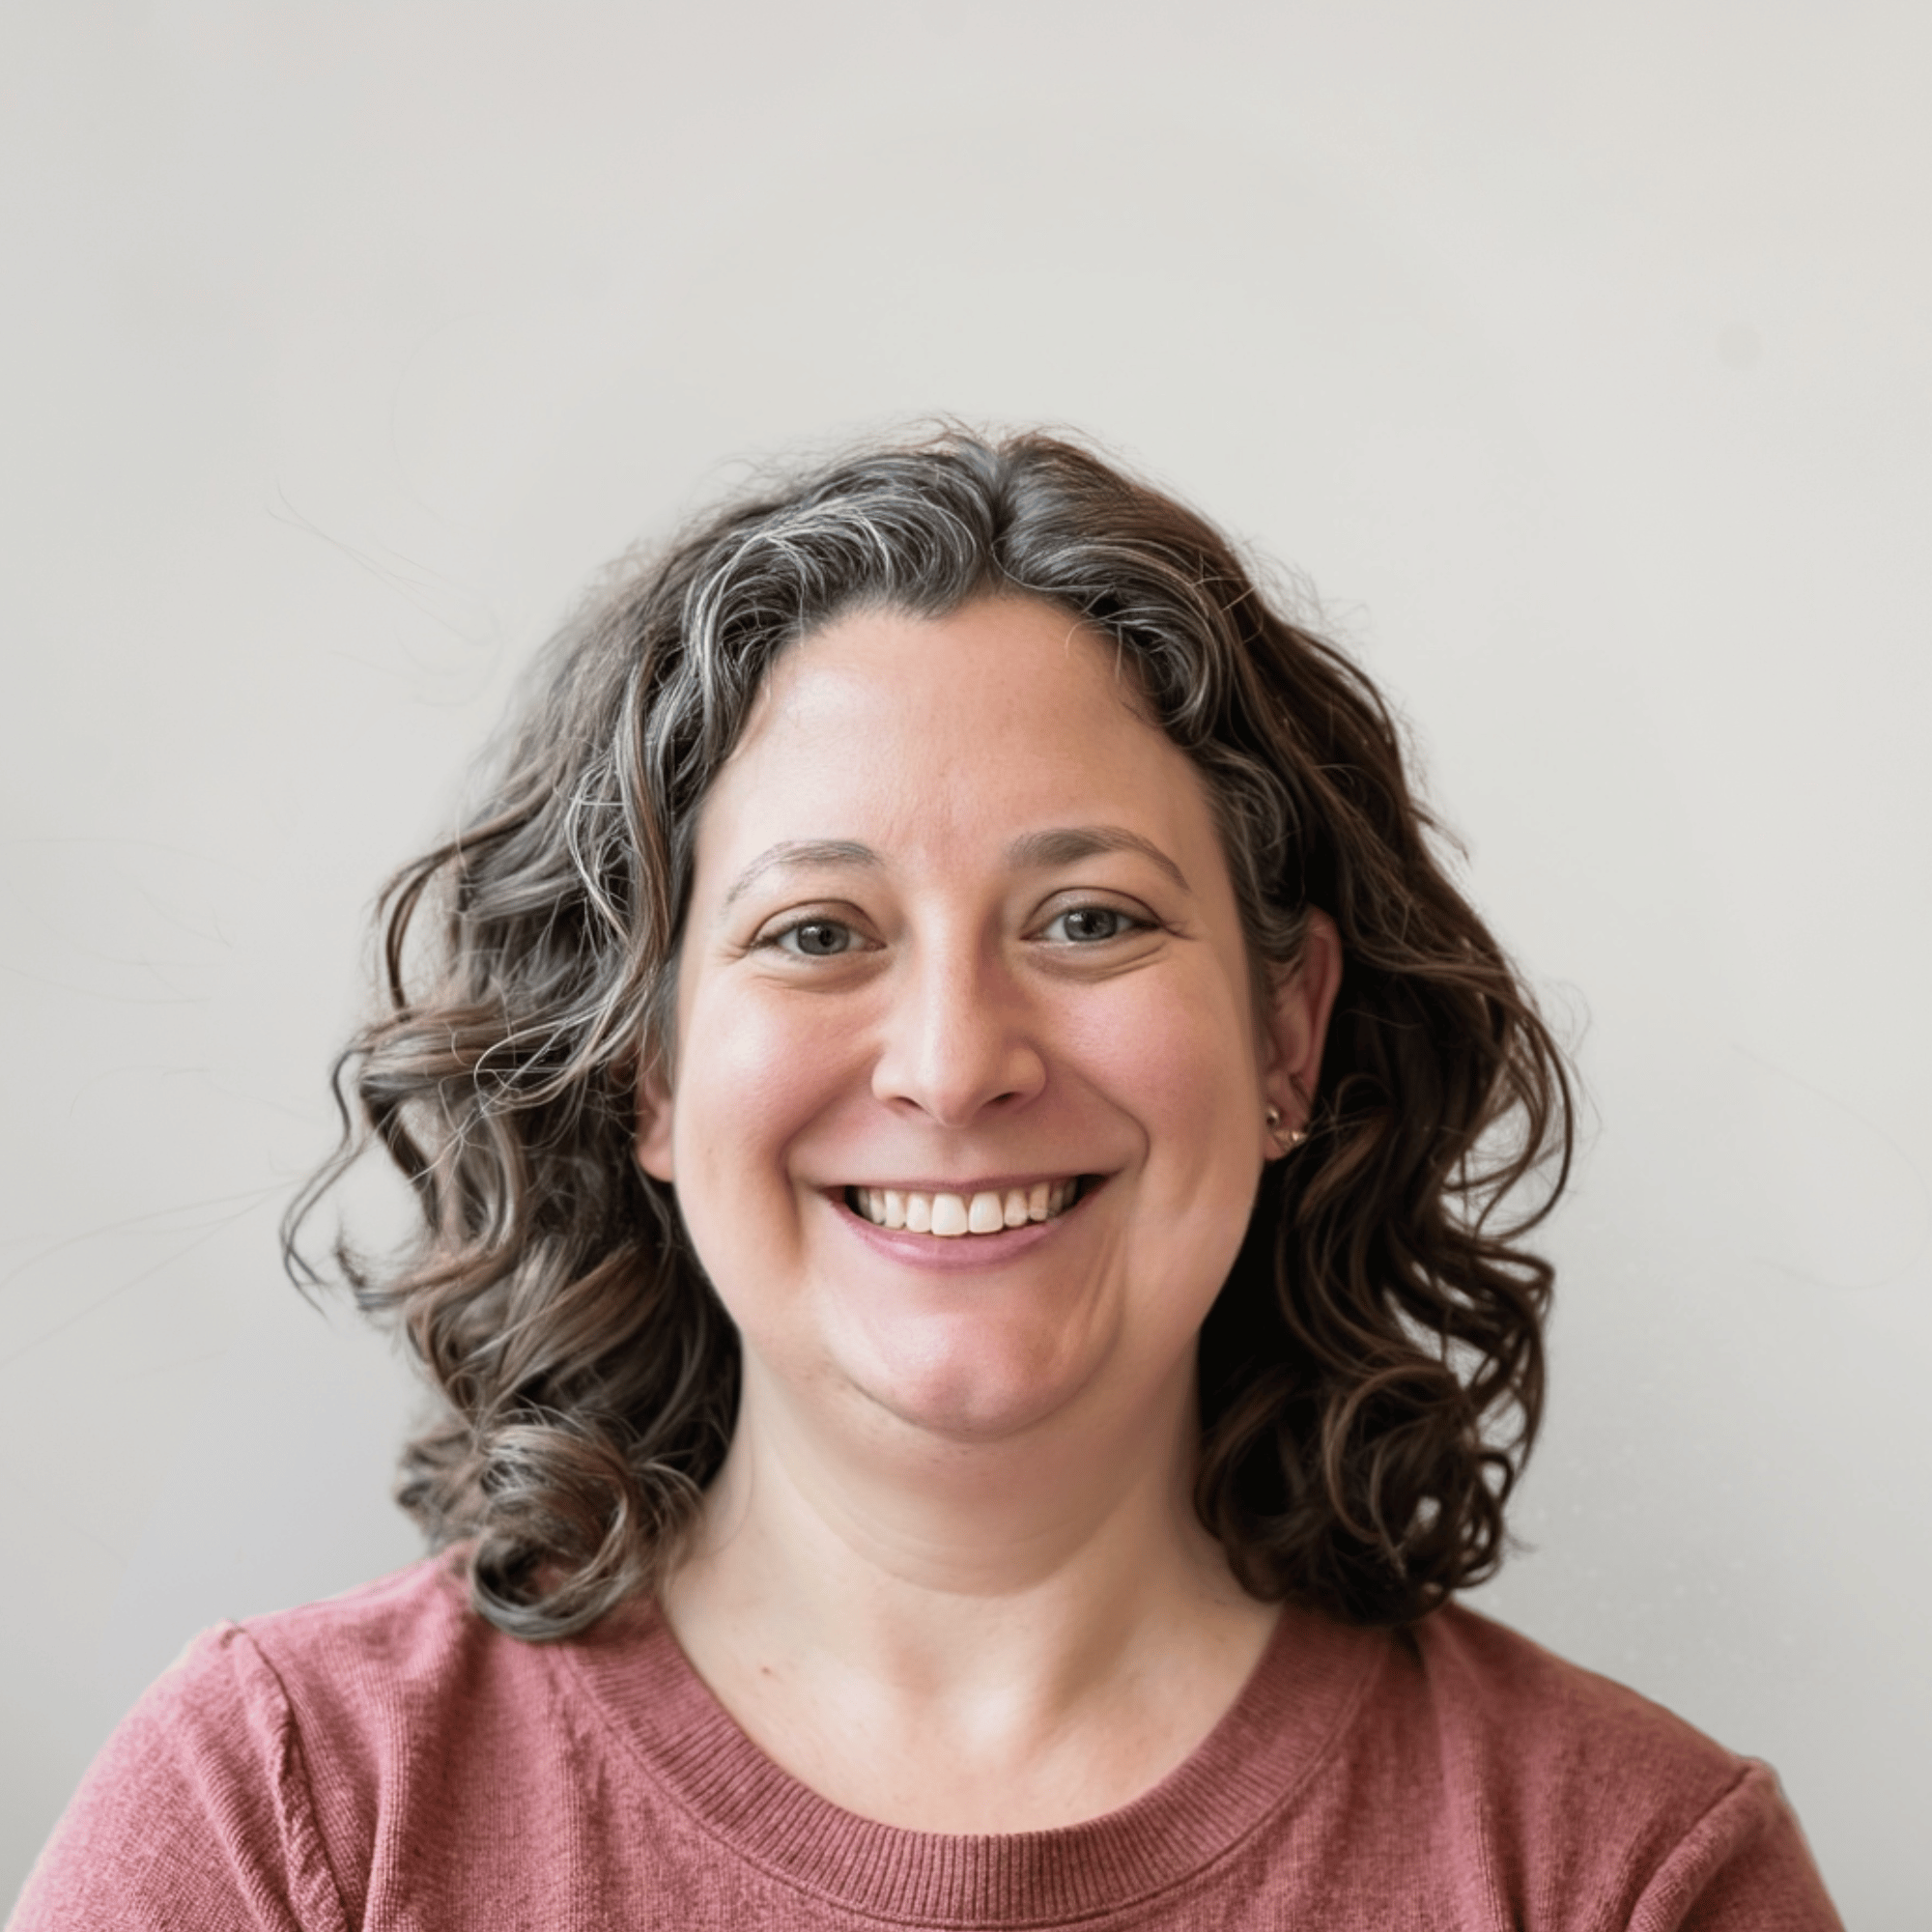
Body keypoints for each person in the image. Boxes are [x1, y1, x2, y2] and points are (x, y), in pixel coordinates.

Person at [12, 427, 1842, 1928]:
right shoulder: (289, 1823)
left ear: (1287, 1036)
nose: (957, 1063)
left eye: (1091, 918)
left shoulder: (1624, 1876)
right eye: (818, 931)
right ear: (646, 1066)